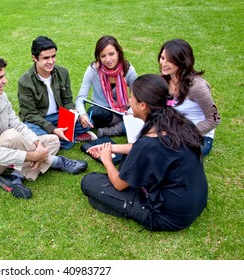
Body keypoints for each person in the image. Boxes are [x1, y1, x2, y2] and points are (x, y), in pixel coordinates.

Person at [81, 74, 208, 231]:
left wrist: (106, 159)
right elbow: (147, 150)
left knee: (89, 181)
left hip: (167, 216)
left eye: (132, 97)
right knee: (128, 159)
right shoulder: (177, 121)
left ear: (142, 105)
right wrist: (112, 148)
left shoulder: (148, 143)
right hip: (195, 201)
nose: (129, 100)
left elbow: (120, 185)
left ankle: (120, 205)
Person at [0, 55, 88, 199]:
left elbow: (17, 124)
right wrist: (33, 155)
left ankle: (15, 177)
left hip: (5, 149)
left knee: (52, 141)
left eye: (3, 76)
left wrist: (37, 144)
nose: (5, 81)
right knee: (12, 136)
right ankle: (54, 161)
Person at [18, 36, 97, 150]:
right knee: (28, 129)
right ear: (34, 58)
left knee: (87, 122)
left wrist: (75, 114)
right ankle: (68, 138)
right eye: (46, 58)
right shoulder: (25, 81)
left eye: (53, 56)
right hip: (39, 120)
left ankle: (54, 140)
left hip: (60, 117)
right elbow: (29, 114)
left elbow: (67, 101)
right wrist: (52, 129)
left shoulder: (63, 72)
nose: (51, 61)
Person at [158, 39, 221, 156]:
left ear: (182, 62)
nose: (164, 63)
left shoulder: (197, 87)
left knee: (170, 156)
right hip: (173, 127)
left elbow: (214, 120)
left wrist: (182, 133)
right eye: (162, 58)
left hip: (198, 136)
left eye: (170, 60)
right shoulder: (163, 79)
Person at [75, 35, 137, 137]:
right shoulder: (93, 70)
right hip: (100, 112)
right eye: (103, 56)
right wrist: (83, 114)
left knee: (142, 118)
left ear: (118, 52)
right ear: (98, 57)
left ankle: (110, 130)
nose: (108, 59)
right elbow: (80, 98)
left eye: (111, 54)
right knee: (91, 114)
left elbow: (137, 99)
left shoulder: (129, 71)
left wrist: (130, 113)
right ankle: (119, 126)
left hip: (121, 112)